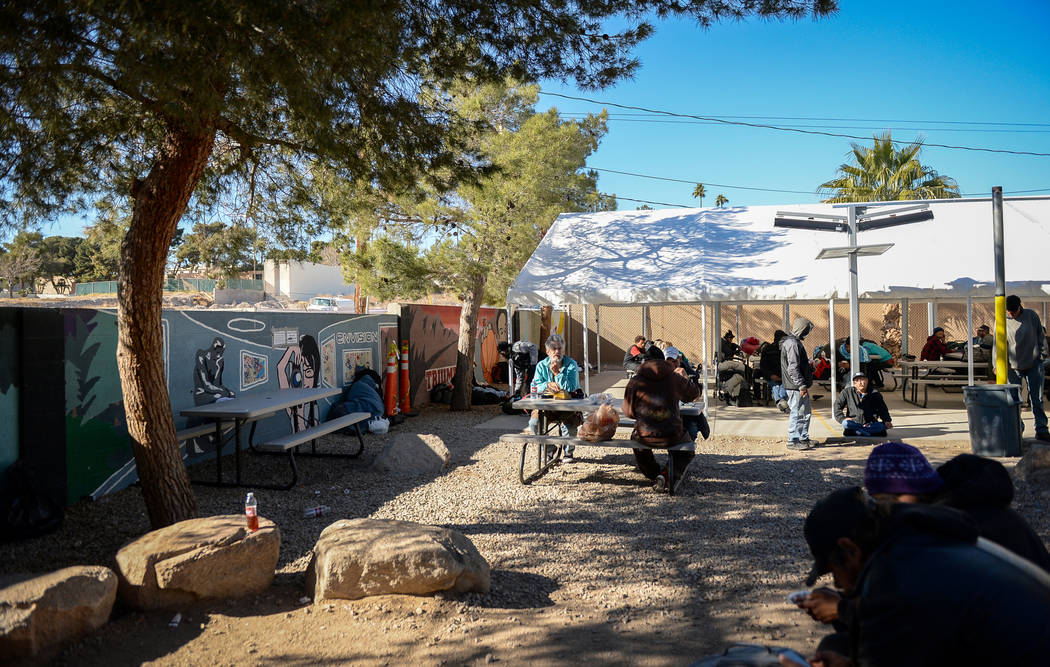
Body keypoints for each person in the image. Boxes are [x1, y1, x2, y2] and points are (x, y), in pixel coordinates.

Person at [795, 486, 1050, 667]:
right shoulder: (919, 541)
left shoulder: (892, 574)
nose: (838, 584)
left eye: (834, 573)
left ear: (850, 549)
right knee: (837, 645)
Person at [622, 349, 701, 491]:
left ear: (644, 362)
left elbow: (628, 412)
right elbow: (694, 393)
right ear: (663, 361)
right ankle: (667, 474)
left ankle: (655, 474)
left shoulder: (635, 381)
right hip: (672, 433)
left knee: (637, 444)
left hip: (644, 433)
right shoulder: (674, 377)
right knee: (687, 448)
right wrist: (686, 379)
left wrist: (642, 415)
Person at [528, 333, 581, 461]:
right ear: (547, 351)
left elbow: (572, 387)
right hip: (546, 407)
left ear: (564, 350)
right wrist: (547, 384)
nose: (557, 351)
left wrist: (557, 374)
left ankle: (568, 452)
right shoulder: (541, 365)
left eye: (560, 348)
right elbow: (534, 385)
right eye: (553, 349)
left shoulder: (571, 365)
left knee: (570, 426)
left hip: (567, 408)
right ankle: (549, 449)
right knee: (534, 423)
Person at [1005, 294, 1049, 442]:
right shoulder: (1001, 319)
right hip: (1012, 365)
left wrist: (1042, 355)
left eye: (1013, 311)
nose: (1011, 314)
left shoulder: (1031, 315)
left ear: (1020, 307)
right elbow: (997, 344)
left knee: (1037, 398)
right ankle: (1018, 428)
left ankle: (1042, 429)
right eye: (1008, 312)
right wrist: (996, 364)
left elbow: (1040, 335)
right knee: (1014, 400)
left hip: (1033, 363)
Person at [781, 317, 815, 450]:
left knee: (805, 412)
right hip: (795, 386)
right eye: (806, 330)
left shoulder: (795, 342)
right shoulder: (792, 343)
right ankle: (792, 440)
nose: (807, 333)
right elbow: (792, 367)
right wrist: (801, 384)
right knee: (797, 412)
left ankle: (803, 437)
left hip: (799, 385)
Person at [832, 371, 893, 437]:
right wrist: (842, 418)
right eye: (858, 380)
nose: (861, 382)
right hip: (854, 422)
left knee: (881, 426)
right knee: (845, 424)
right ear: (854, 383)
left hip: (870, 423)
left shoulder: (875, 393)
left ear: (867, 381)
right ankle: (865, 432)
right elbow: (837, 406)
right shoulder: (847, 392)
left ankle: (859, 431)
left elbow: (883, 409)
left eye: (863, 379)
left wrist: (887, 420)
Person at [759, 330, 789, 412]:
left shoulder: (786, 349)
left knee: (781, 385)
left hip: (783, 375)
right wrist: (770, 375)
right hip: (772, 375)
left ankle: (779, 401)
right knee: (776, 385)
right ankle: (782, 400)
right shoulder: (767, 349)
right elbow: (763, 365)